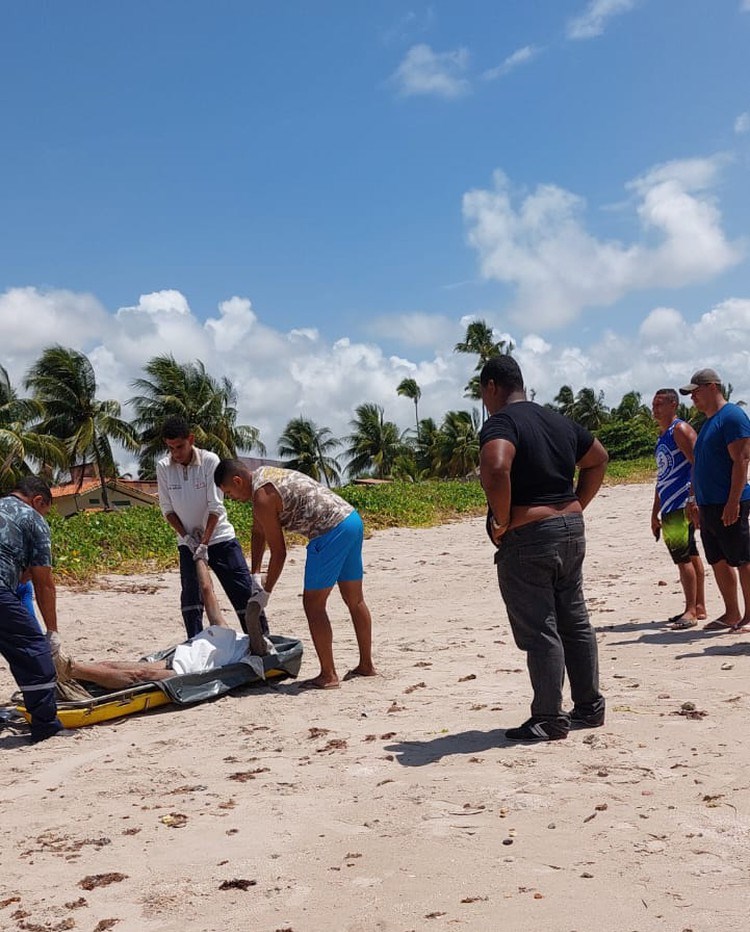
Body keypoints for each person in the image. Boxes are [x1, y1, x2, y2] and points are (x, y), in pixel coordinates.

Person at [478, 356, 608, 742]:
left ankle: (549, 717)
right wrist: (576, 505)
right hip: (571, 528)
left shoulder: (501, 422)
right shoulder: (556, 420)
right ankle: (589, 706)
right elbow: (598, 459)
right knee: (574, 619)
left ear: (491, 387)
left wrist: (501, 520)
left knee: (540, 628)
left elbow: (496, 466)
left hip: (530, 537)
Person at [214, 460, 375, 690]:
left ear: (238, 481)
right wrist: (255, 575)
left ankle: (328, 675)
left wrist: (266, 592)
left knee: (313, 604)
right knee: (355, 599)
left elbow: (279, 552)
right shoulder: (263, 479)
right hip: (351, 521)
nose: (232, 498)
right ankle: (366, 666)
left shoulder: (261, 497)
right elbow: (258, 532)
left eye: (229, 492)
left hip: (328, 531)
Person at [156, 416, 268, 640]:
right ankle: (196, 644)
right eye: (171, 448)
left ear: (191, 439)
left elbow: (215, 506)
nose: (176, 453)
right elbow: (167, 508)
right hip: (187, 542)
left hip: (220, 538)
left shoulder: (210, 461)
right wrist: (188, 538)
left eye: (180, 446)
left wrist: (205, 542)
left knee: (242, 591)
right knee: (191, 597)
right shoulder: (163, 467)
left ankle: (262, 640)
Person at [679, 368, 750, 631]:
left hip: (729, 501)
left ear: (712, 387)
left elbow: (742, 460)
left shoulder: (731, 416)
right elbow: (699, 466)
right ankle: (732, 612)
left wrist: (733, 502)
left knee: (742, 559)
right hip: (708, 504)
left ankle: (749, 615)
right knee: (717, 559)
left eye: (695, 392)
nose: (692, 398)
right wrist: (694, 499)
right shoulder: (708, 423)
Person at [0, 477, 64, 742]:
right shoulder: (33, 519)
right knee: (34, 653)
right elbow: (44, 583)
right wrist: (52, 632)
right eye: (45, 509)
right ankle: (46, 725)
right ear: (38, 500)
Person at [650, 388, 707, 629]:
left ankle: (691, 610)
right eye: (653, 405)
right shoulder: (663, 436)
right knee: (691, 555)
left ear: (673, 404)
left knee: (682, 558)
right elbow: (662, 476)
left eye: (660, 404)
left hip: (681, 503)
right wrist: (654, 512)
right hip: (670, 504)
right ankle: (699, 606)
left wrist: (693, 498)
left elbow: (699, 463)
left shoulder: (680, 430)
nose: (655, 409)